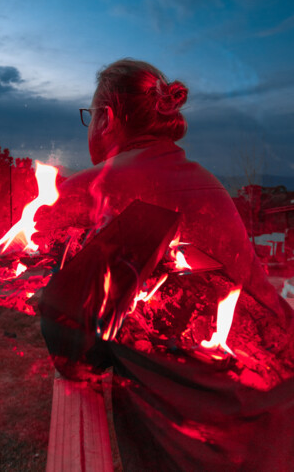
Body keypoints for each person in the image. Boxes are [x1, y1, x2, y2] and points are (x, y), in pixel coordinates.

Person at [35, 59, 294, 471]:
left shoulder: (89, 193)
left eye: (90, 116)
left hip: (204, 439)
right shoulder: (205, 182)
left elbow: (70, 345)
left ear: (107, 119)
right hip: (277, 409)